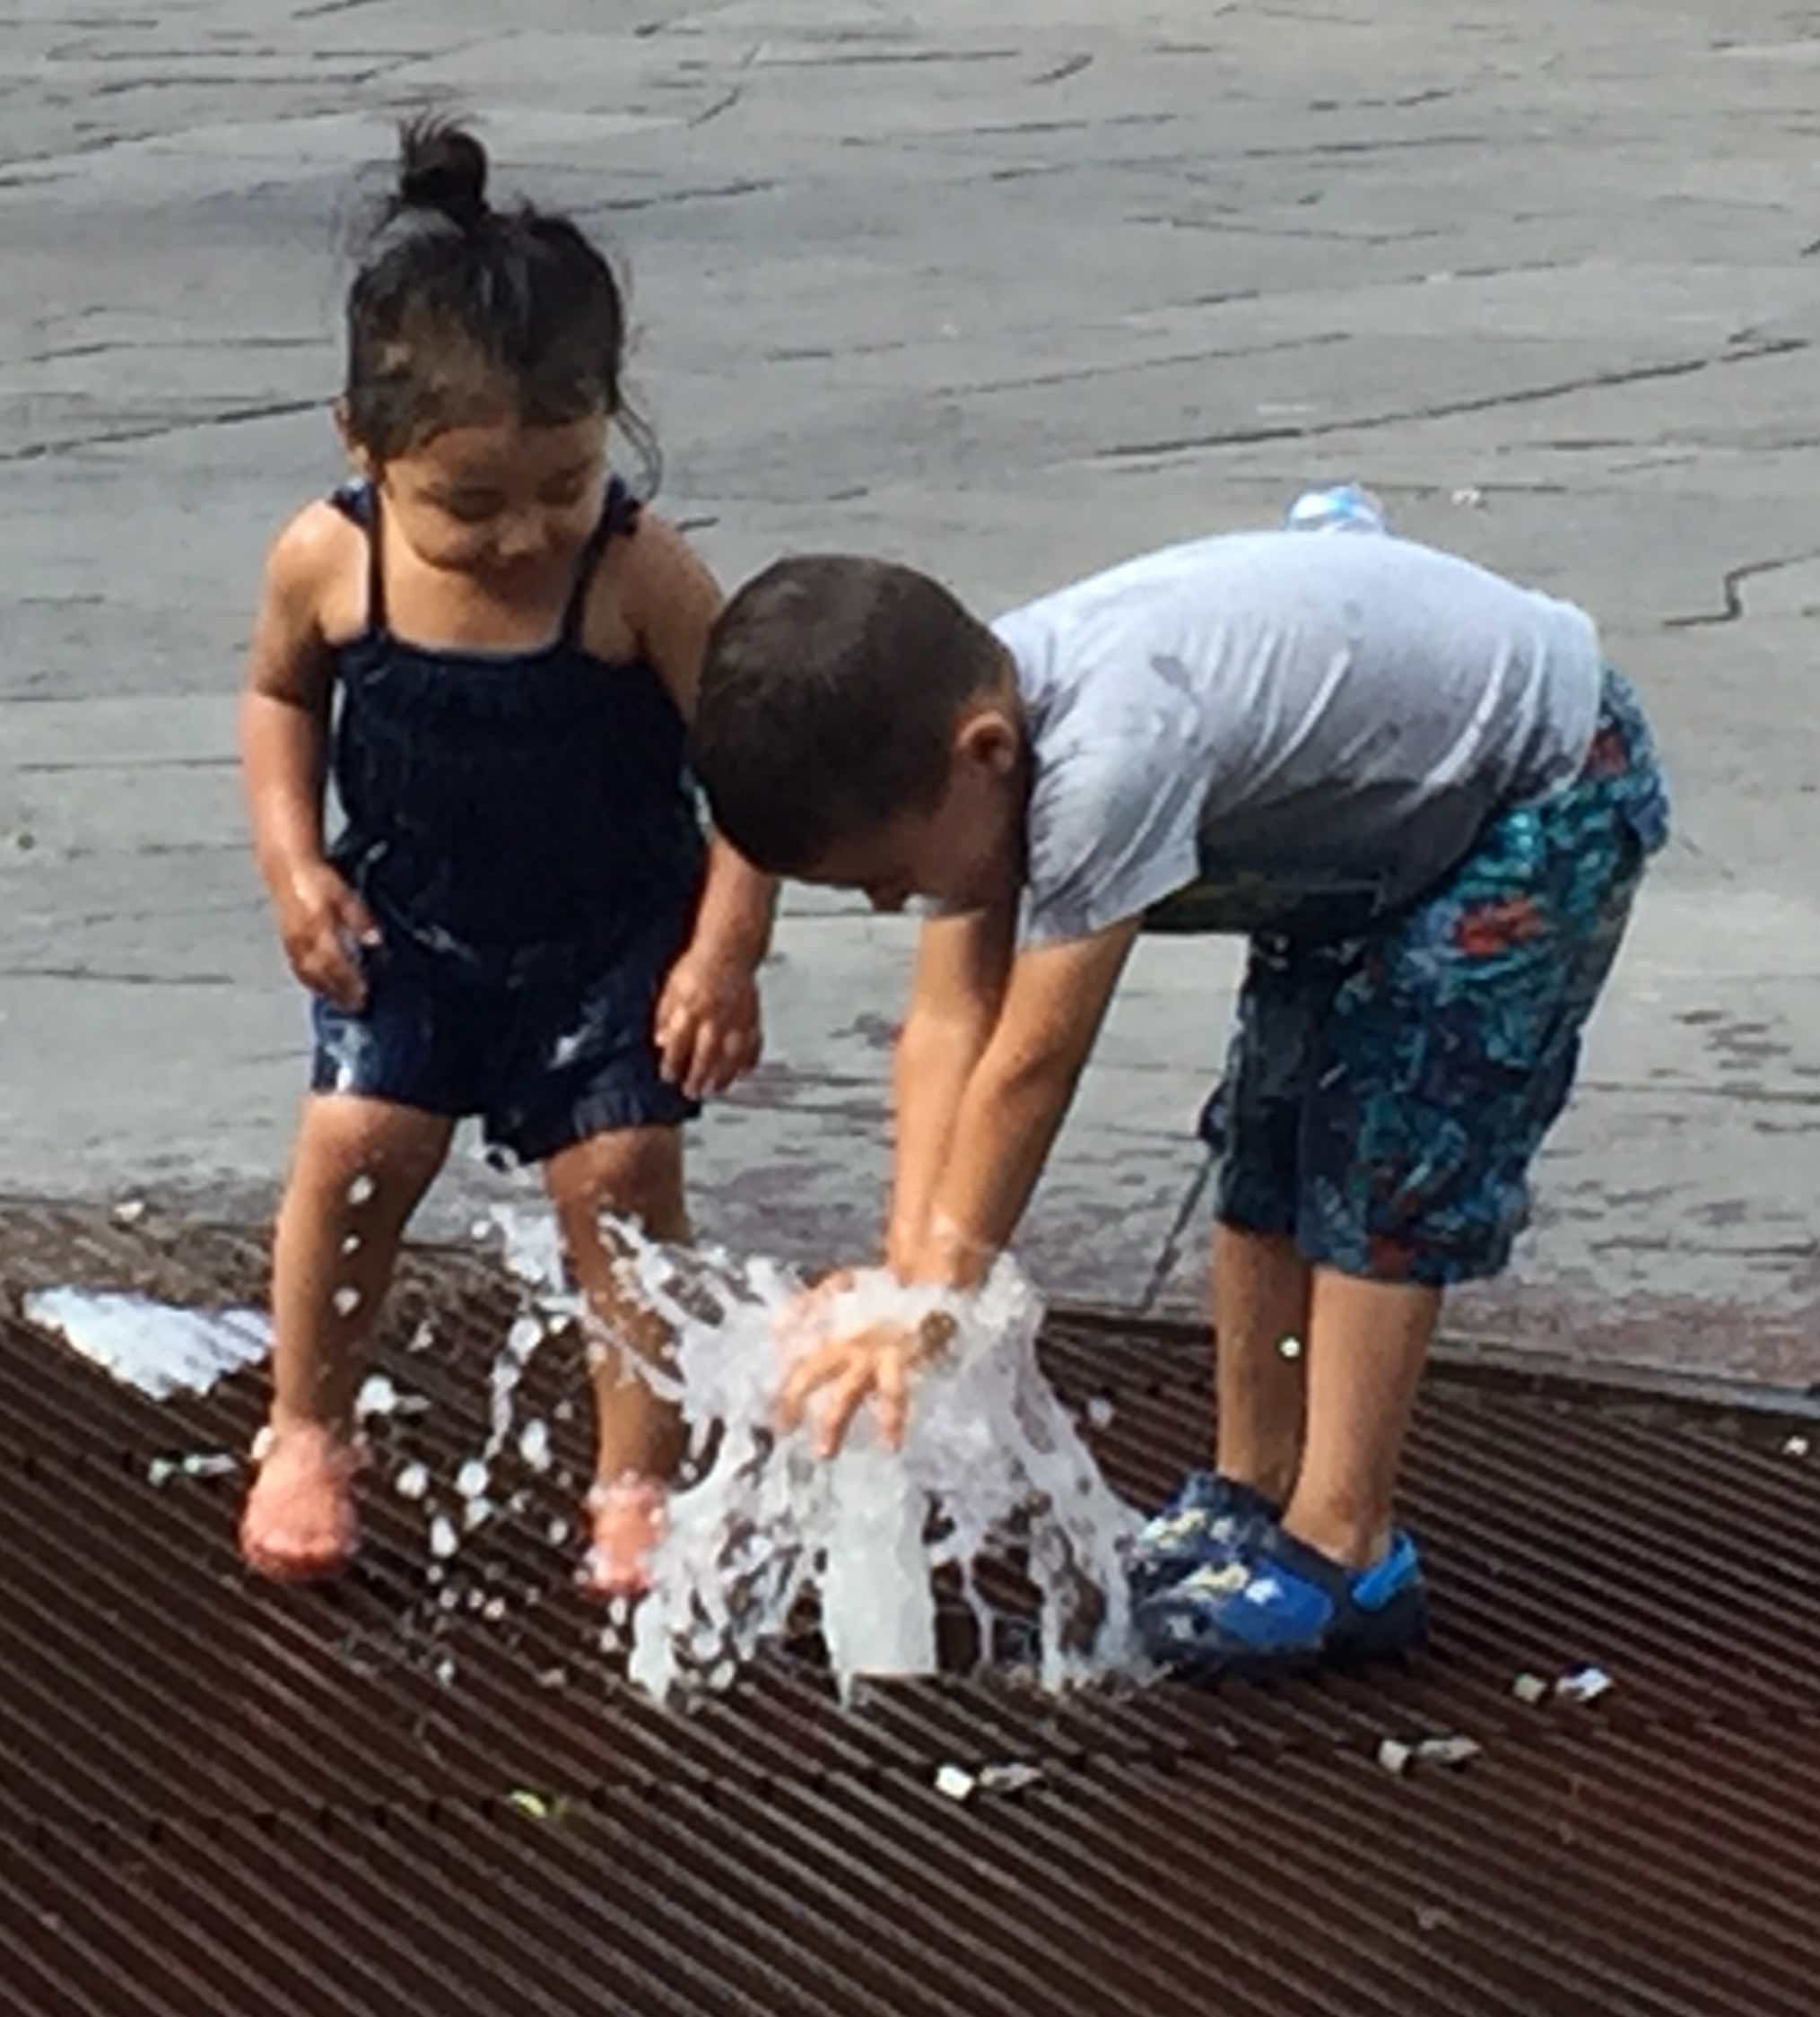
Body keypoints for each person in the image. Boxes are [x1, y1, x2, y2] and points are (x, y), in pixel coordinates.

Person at [686, 524, 1669, 1675]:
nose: (885, 905)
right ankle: (1252, 1487)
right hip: (1369, 845)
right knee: (1266, 1143)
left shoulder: (1104, 759)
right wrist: (909, 1278)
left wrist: (948, 1283)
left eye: (887, 876)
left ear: (985, 752)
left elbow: (1031, 1062)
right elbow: (948, 1026)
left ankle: (1346, 1544)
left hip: (1537, 791)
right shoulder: (956, 739)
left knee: (1386, 1158)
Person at [235, 121, 775, 1596]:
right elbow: (281, 697)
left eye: (566, 480)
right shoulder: (330, 558)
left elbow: (753, 766)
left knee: (622, 1172)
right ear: (361, 446)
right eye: (469, 504)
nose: (525, 531)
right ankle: (305, 1426)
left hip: (612, 937)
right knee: (356, 1147)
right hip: (409, 919)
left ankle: (634, 1476)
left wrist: (723, 949)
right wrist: (293, 865)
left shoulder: (637, 573)